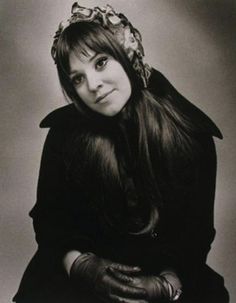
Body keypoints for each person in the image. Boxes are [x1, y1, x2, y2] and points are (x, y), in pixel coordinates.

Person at [13, 2, 229, 303]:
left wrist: (168, 284)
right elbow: (51, 224)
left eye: (100, 62)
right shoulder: (64, 134)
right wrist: (80, 266)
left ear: (127, 55)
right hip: (81, 273)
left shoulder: (191, 134)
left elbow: (196, 235)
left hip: (165, 275)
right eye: (77, 78)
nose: (93, 85)